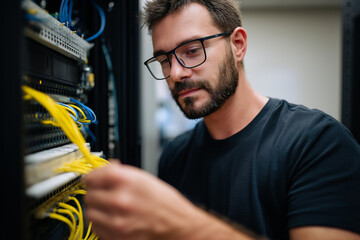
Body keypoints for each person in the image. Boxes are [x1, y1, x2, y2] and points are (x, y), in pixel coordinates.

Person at [84, 0, 360, 239]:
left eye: (192, 50)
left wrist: (180, 225)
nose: (176, 73)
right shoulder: (175, 156)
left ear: (237, 45)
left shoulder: (318, 144)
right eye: (164, 60)